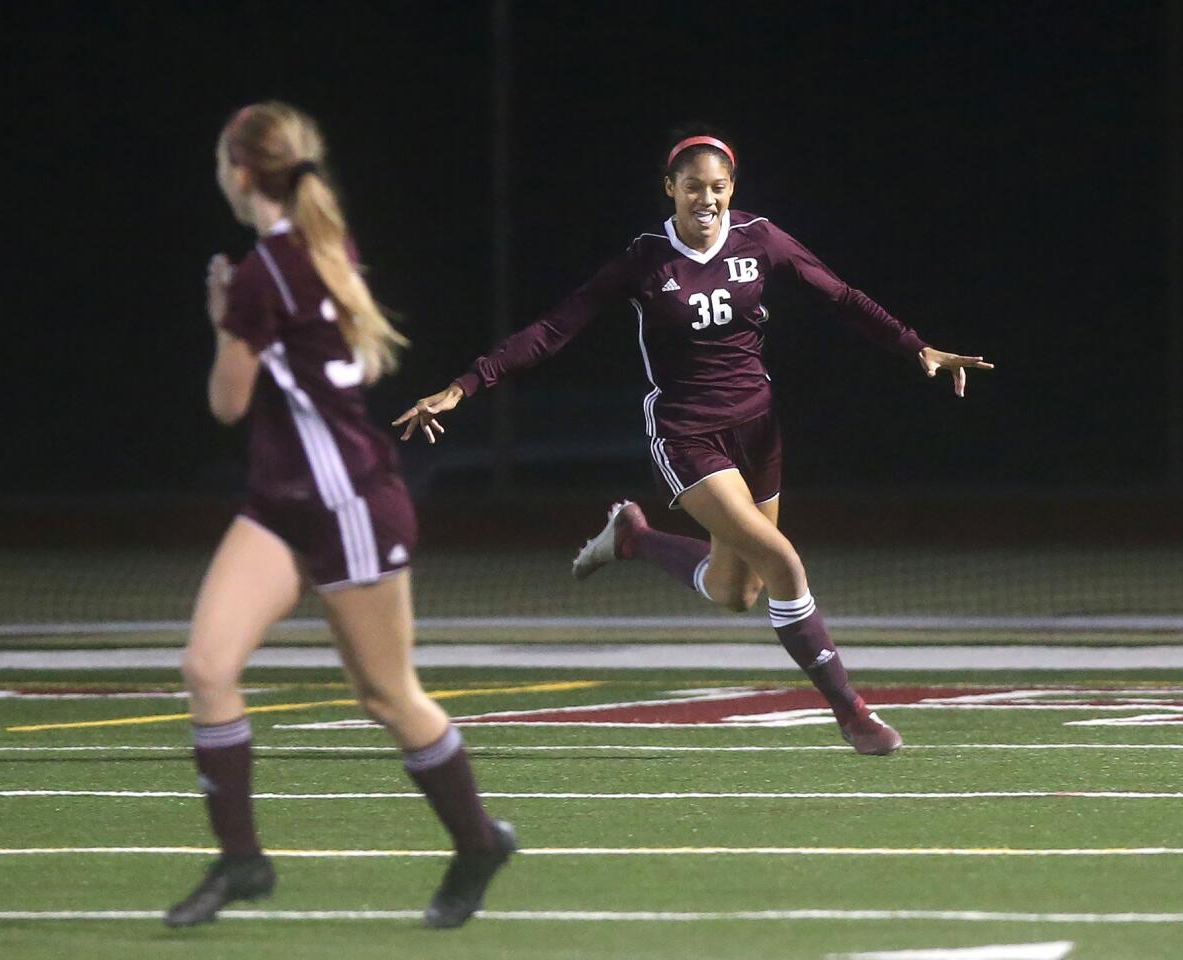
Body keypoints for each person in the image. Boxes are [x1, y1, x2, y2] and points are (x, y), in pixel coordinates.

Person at [394, 126, 993, 755]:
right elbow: (552, 329)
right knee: (784, 562)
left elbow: (839, 296)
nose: (706, 199)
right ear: (670, 190)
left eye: (718, 187)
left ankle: (635, 537)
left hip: (759, 430)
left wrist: (916, 346)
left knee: (739, 592)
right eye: (692, 187)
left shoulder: (760, 239)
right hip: (687, 433)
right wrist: (464, 386)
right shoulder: (644, 260)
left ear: (732, 189)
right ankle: (852, 713)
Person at [165, 101, 515, 931]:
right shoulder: (320, 246)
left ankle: (476, 841)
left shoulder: (263, 274)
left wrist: (222, 320)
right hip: (281, 503)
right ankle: (243, 859)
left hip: (348, 503)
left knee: (388, 697)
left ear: (241, 172)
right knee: (207, 668)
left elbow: (227, 401)